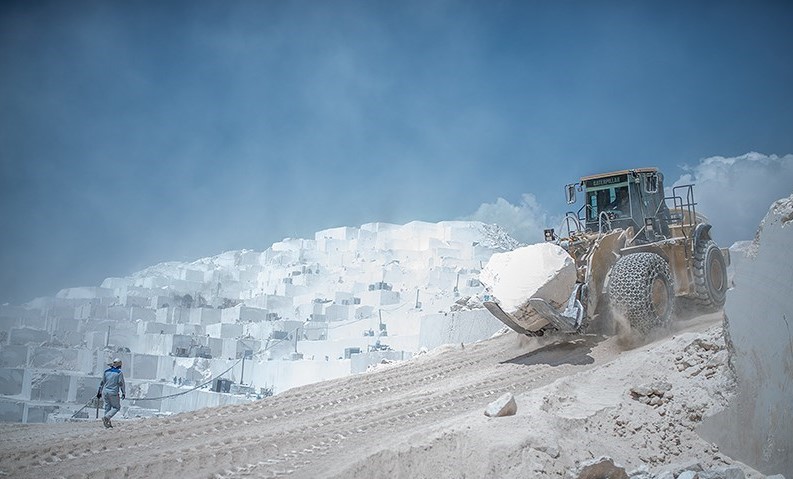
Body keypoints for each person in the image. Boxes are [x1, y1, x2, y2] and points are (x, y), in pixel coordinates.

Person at [97, 358, 126, 428]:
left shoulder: (106, 372)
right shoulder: (119, 373)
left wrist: (99, 392)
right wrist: (123, 392)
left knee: (107, 407)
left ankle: (107, 424)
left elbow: (102, 382)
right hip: (113, 392)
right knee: (116, 407)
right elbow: (121, 383)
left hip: (105, 392)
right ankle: (107, 417)